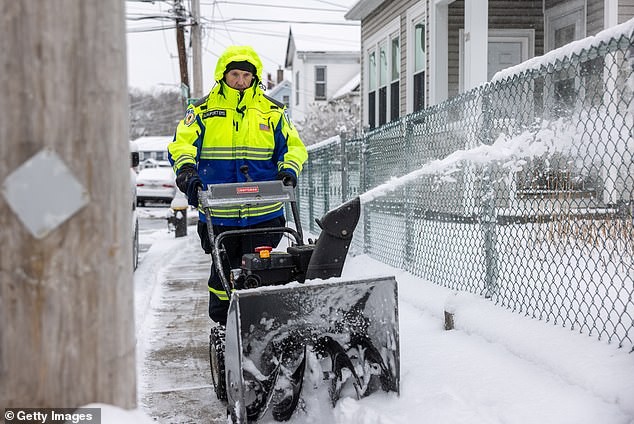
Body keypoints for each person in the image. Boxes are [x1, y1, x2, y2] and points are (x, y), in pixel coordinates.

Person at [168, 45, 307, 326]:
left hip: (264, 213)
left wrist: (288, 170)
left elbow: (293, 147)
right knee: (223, 274)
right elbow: (182, 145)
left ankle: (264, 324)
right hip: (219, 214)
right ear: (224, 75)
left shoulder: (273, 112)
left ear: (254, 78)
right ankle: (224, 326)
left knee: (264, 271)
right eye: (235, 74)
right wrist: (187, 173)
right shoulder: (202, 111)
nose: (241, 81)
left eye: (246, 75)